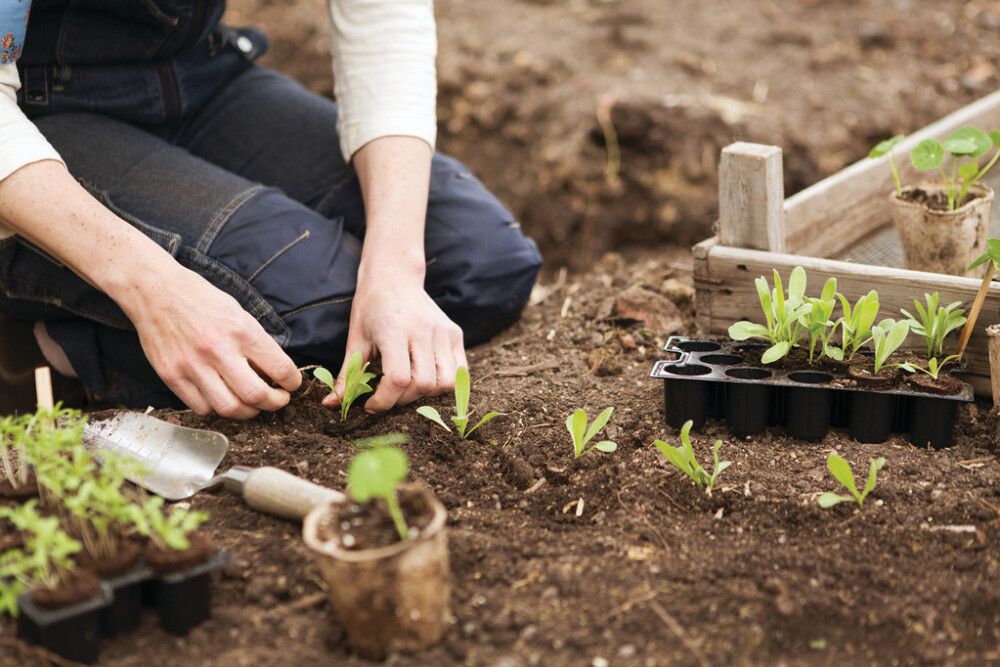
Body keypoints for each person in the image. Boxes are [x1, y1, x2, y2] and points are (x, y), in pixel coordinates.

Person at [0, 0, 542, 418]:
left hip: (198, 76)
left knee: (483, 266)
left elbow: (382, 18)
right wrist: (151, 290)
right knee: (309, 322)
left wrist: (396, 268)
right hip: (33, 122)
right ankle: (53, 345)